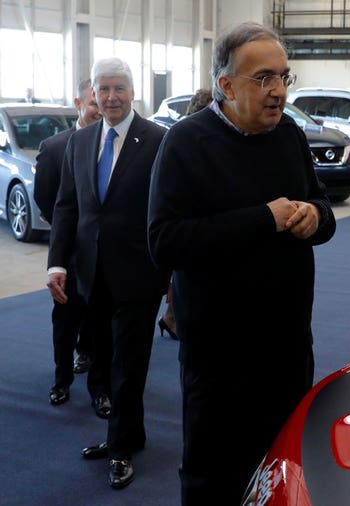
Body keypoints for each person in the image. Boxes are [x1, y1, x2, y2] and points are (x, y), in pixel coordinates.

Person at [147, 22, 336, 504]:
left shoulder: (290, 134)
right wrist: (262, 220)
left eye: (283, 78)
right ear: (226, 86)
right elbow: (165, 242)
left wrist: (316, 216)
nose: (278, 92)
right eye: (264, 79)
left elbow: (323, 208)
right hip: (220, 357)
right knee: (214, 476)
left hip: (288, 346)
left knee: (283, 468)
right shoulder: (186, 142)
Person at [47, 57, 169, 490]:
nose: (112, 97)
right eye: (104, 90)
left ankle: (120, 450)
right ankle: (125, 434)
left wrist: (171, 275)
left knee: (128, 366)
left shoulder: (158, 141)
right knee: (101, 357)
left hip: (139, 274)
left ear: (133, 92)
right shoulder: (79, 143)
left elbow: (168, 208)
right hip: (88, 273)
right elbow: (67, 207)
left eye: (119, 88)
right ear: (92, 95)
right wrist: (57, 263)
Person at [35, 78, 101, 406]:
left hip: (105, 257)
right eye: (94, 101)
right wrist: (66, 239)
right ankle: (62, 379)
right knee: (64, 321)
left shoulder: (116, 145)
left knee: (98, 319)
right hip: (70, 254)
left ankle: (91, 366)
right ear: (79, 104)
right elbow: (47, 200)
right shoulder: (56, 148)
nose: (101, 108)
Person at [156, 88, 214, 342]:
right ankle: (170, 318)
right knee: (183, 276)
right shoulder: (184, 139)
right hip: (186, 222)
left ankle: (170, 318)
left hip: (192, 222)